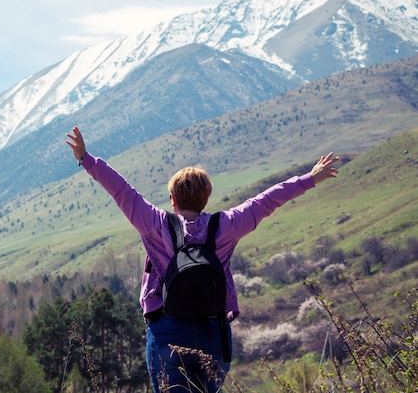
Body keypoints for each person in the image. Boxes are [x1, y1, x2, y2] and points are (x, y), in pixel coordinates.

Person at [65, 126, 340, 392]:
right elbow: (267, 200)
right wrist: (310, 178)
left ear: (172, 199)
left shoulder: (154, 223)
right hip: (213, 333)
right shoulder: (227, 225)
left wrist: (85, 159)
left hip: (166, 330)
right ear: (206, 198)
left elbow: (121, 190)